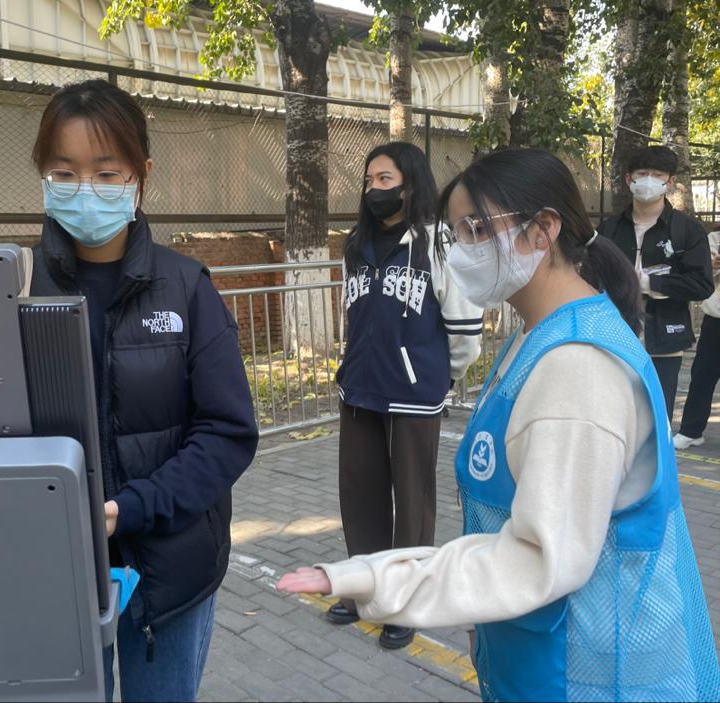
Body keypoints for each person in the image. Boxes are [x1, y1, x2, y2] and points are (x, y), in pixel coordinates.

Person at [278, 149, 720, 702]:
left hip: (590, 674)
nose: (463, 250)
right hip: (542, 653)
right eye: (458, 233)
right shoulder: (538, 337)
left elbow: (537, 558)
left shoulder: (577, 368)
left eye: (477, 230)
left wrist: (375, 580)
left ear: (544, 231)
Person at [28, 79, 258, 702]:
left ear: (140, 175)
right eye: (65, 171)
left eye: (107, 172)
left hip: (171, 569)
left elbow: (227, 433)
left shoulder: (187, 289)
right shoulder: (18, 292)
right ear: (42, 175)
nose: (86, 189)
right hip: (57, 569)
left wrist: (130, 509)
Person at [327, 142, 482, 650]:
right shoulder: (357, 243)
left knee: (411, 502)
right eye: (369, 180)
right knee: (361, 496)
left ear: (410, 183)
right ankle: (363, 589)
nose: (374, 188)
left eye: (385, 179)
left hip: (414, 395)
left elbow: (464, 331)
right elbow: (352, 315)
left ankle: (406, 600)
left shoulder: (440, 243)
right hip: (360, 390)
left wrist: (438, 379)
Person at [597, 146, 714, 425]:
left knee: (656, 417)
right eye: (642, 173)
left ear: (669, 181)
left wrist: (649, 282)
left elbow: (701, 284)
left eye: (657, 174)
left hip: (665, 336)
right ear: (629, 179)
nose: (648, 180)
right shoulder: (609, 229)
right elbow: (591, 279)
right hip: (614, 335)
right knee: (613, 415)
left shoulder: (687, 230)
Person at [674, 226, 720, 449]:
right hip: (716, 319)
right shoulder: (714, 238)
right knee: (703, 375)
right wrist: (712, 266)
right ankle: (691, 430)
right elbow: (702, 276)